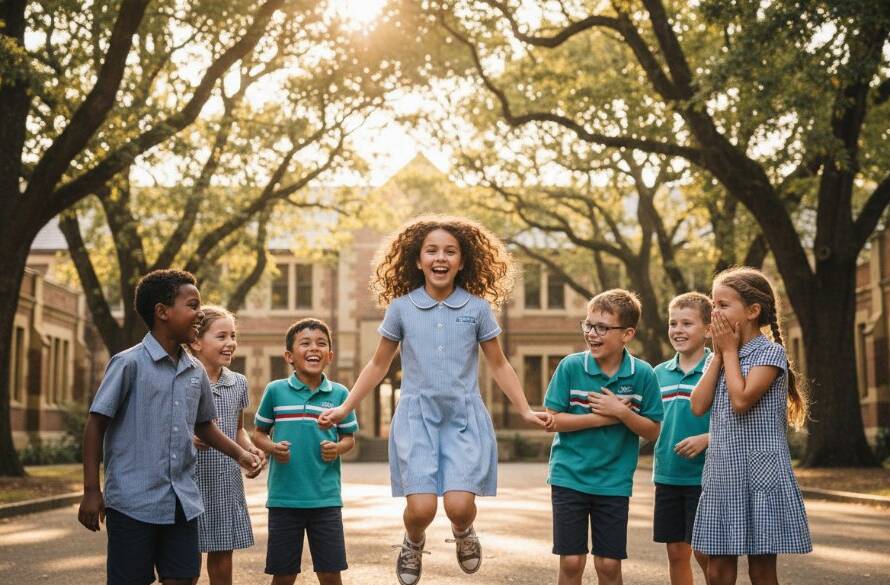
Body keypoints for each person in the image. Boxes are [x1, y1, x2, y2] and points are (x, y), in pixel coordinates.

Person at [317, 215, 551, 585]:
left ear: (462, 261)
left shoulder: (477, 309)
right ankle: (413, 540)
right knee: (421, 508)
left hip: (462, 417)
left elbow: (499, 363)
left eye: (450, 251)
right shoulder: (401, 308)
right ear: (417, 260)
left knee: (460, 507)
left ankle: (463, 531)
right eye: (432, 251)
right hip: (417, 418)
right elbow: (378, 363)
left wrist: (523, 408)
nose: (440, 258)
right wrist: (346, 407)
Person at [78, 269, 261, 585]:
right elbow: (96, 424)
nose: (199, 313)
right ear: (162, 312)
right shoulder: (129, 364)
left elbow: (205, 426)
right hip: (133, 503)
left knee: (183, 578)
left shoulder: (194, 371)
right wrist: (92, 490)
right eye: (192, 305)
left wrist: (241, 455)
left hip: (182, 503)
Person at [691, 267, 811, 585]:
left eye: (723, 304)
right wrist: (718, 357)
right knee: (717, 567)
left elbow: (741, 400)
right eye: (713, 304)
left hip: (760, 472)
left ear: (752, 311)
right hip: (723, 470)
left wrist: (729, 352)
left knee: (760, 569)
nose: (714, 312)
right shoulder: (717, 356)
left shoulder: (769, 353)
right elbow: (698, 405)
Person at [542, 289, 664, 585]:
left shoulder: (643, 374)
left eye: (602, 328)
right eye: (588, 325)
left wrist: (623, 414)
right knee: (571, 562)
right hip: (569, 476)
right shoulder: (572, 366)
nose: (592, 334)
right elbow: (552, 420)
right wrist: (602, 417)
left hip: (614, 481)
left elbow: (653, 431)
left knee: (608, 565)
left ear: (627, 334)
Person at [252, 318, 358, 585]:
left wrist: (337, 448)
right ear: (290, 356)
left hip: (326, 499)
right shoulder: (275, 391)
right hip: (284, 499)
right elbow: (259, 434)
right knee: (284, 574)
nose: (314, 348)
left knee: (330, 573)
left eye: (321, 343)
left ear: (330, 356)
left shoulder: (340, 394)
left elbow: (349, 439)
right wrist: (273, 448)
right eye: (305, 343)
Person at [188, 306, 265, 585]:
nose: (230, 342)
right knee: (187, 559)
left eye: (233, 335)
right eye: (221, 336)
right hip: (191, 480)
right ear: (196, 342)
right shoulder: (183, 380)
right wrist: (190, 437)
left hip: (224, 480)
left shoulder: (238, 382)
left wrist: (250, 450)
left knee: (222, 554)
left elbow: (238, 429)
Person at [652, 293, 713, 585]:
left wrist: (708, 437)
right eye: (673, 322)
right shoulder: (657, 374)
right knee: (676, 551)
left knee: (705, 552)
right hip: (667, 475)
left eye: (687, 323)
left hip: (706, 476)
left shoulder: (719, 369)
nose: (678, 329)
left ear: (709, 328)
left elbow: (739, 420)